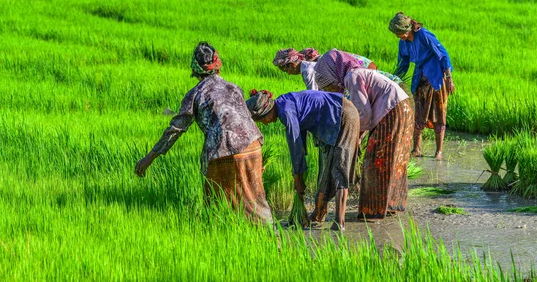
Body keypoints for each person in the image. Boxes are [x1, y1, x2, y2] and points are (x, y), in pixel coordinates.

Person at [134, 42, 273, 225]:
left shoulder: (195, 94)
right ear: (217, 65)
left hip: (222, 151)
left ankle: (216, 237)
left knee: (215, 205)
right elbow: (241, 118)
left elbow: (175, 130)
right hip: (253, 145)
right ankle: (273, 240)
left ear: (195, 68)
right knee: (257, 201)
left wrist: (148, 158)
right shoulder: (234, 88)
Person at [314, 49, 414, 219]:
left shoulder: (352, 78)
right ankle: (390, 205)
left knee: (376, 160)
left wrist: (353, 136)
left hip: (392, 111)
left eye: (329, 85)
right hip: (401, 108)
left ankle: (373, 211)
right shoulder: (354, 75)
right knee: (394, 158)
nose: (331, 90)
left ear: (334, 74)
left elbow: (363, 114)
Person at [246, 89, 360, 231]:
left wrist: (298, 177)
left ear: (267, 111)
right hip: (334, 117)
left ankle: (339, 222)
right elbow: (301, 135)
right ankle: (318, 214)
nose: (265, 124)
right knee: (328, 168)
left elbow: (295, 145)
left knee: (340, 167)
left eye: (262, 120)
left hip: (343, 115)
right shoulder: (283, 103)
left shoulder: (285, 112)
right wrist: (299, 173)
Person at [389, 12, 455, 161]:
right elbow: (403, 64)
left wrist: (449, 78)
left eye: (400, 33)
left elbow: (443, 54)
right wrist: (393, 80)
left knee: (439, 114)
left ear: (408, 29)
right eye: (397, 34)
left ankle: (439, 151)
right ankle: (416, 149)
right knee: (418, 113)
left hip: (436, 77)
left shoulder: (423, 35)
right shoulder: (403, 43)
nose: (399, 36)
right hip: (419, 78)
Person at [272, 48, 377, 91]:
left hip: (361, 77)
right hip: (367, 72)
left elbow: (313, 94)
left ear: (291, 65)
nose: (289, 74)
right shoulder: (328, 58)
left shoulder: (308, 69)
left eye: (286, 71)